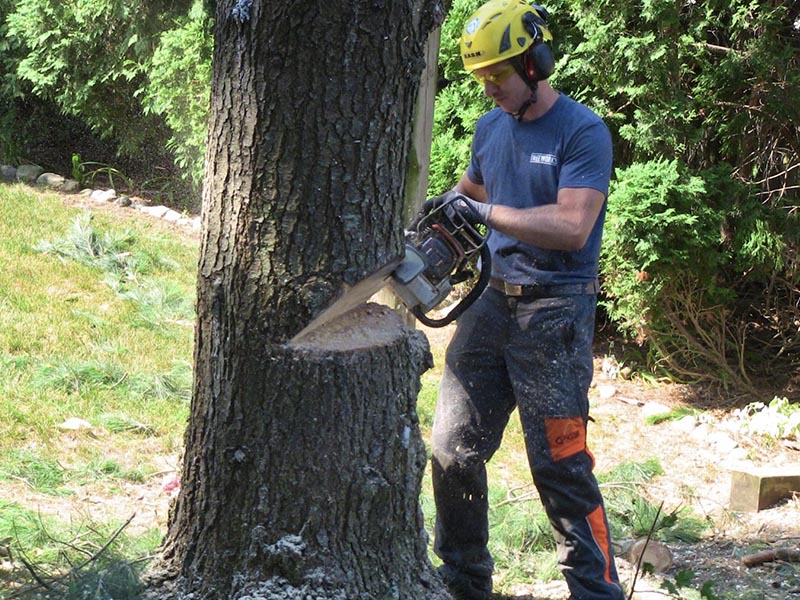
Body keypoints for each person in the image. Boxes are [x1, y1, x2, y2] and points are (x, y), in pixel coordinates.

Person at [429, 1, 625, 599]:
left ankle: (595, 591)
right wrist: (433, 222)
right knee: (451, 446)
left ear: (535, 63)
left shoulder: (582, 130)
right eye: (481, 78)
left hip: (556, 312)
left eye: (498, 77)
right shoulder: (489, 128)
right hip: (493, 305)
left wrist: (485, 213)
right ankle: (465, 580)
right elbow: (467, 196)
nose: (490, 90)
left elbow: (572, 225)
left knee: (560, 465)